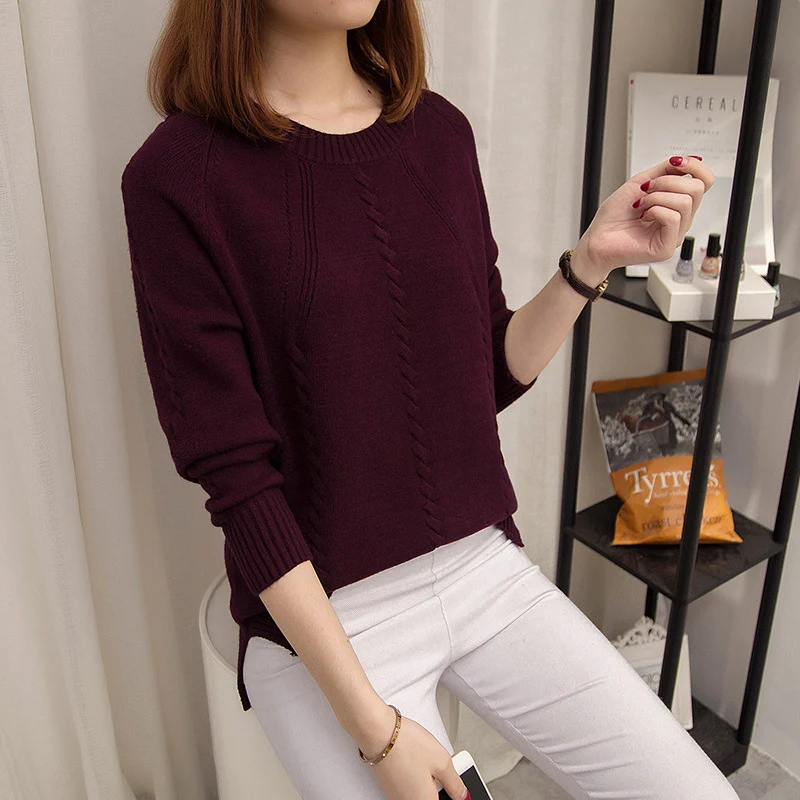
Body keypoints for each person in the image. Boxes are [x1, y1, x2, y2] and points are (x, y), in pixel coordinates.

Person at [120, 2, 738, 799]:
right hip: (324, 624)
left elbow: (482, 375)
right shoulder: (176, 178)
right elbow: (239, 485)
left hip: (483, 570)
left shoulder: (438, 133)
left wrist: (590, 261)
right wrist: (377, 732)